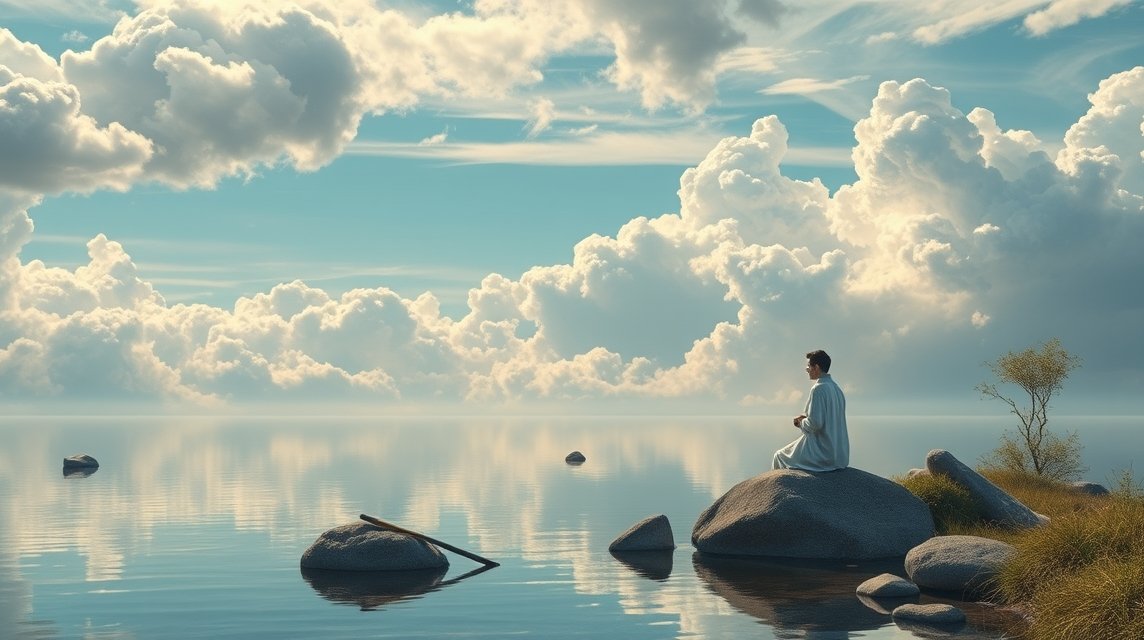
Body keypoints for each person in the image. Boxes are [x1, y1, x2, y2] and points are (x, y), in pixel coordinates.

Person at [772, 350, 850, 471]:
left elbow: (815, 424)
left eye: (809, 366)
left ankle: (777, 488)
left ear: (816, 367)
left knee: (779, 456)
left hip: (823, 454)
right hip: (840, 456)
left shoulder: (818, 389)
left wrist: (800, 422)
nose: (807, 369)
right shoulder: (837, 389)